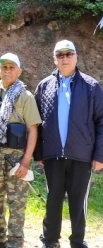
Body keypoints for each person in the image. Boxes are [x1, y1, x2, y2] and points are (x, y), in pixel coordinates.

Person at [34, 40, 103, 248]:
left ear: (76, 57)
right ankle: (50, 239)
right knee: (53, 199)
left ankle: (77, 240)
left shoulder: (91, 86)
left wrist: (99, 155)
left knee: (78, 201)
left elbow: (101, 120)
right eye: (60, 55)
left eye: (69, 54)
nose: (65, 58)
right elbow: (36, 123)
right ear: (54, 59)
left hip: (81, 154)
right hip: (53, 154)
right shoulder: (44, 86)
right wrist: (39, 154)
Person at [0, 53, 40, 248]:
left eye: (12, 67)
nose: (8, 70)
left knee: (17, 202)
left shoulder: (25, 97)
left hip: (16, 158)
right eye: (4, 67)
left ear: (19, 71)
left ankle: (15, 242)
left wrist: (26, 161)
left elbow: (33, 129)